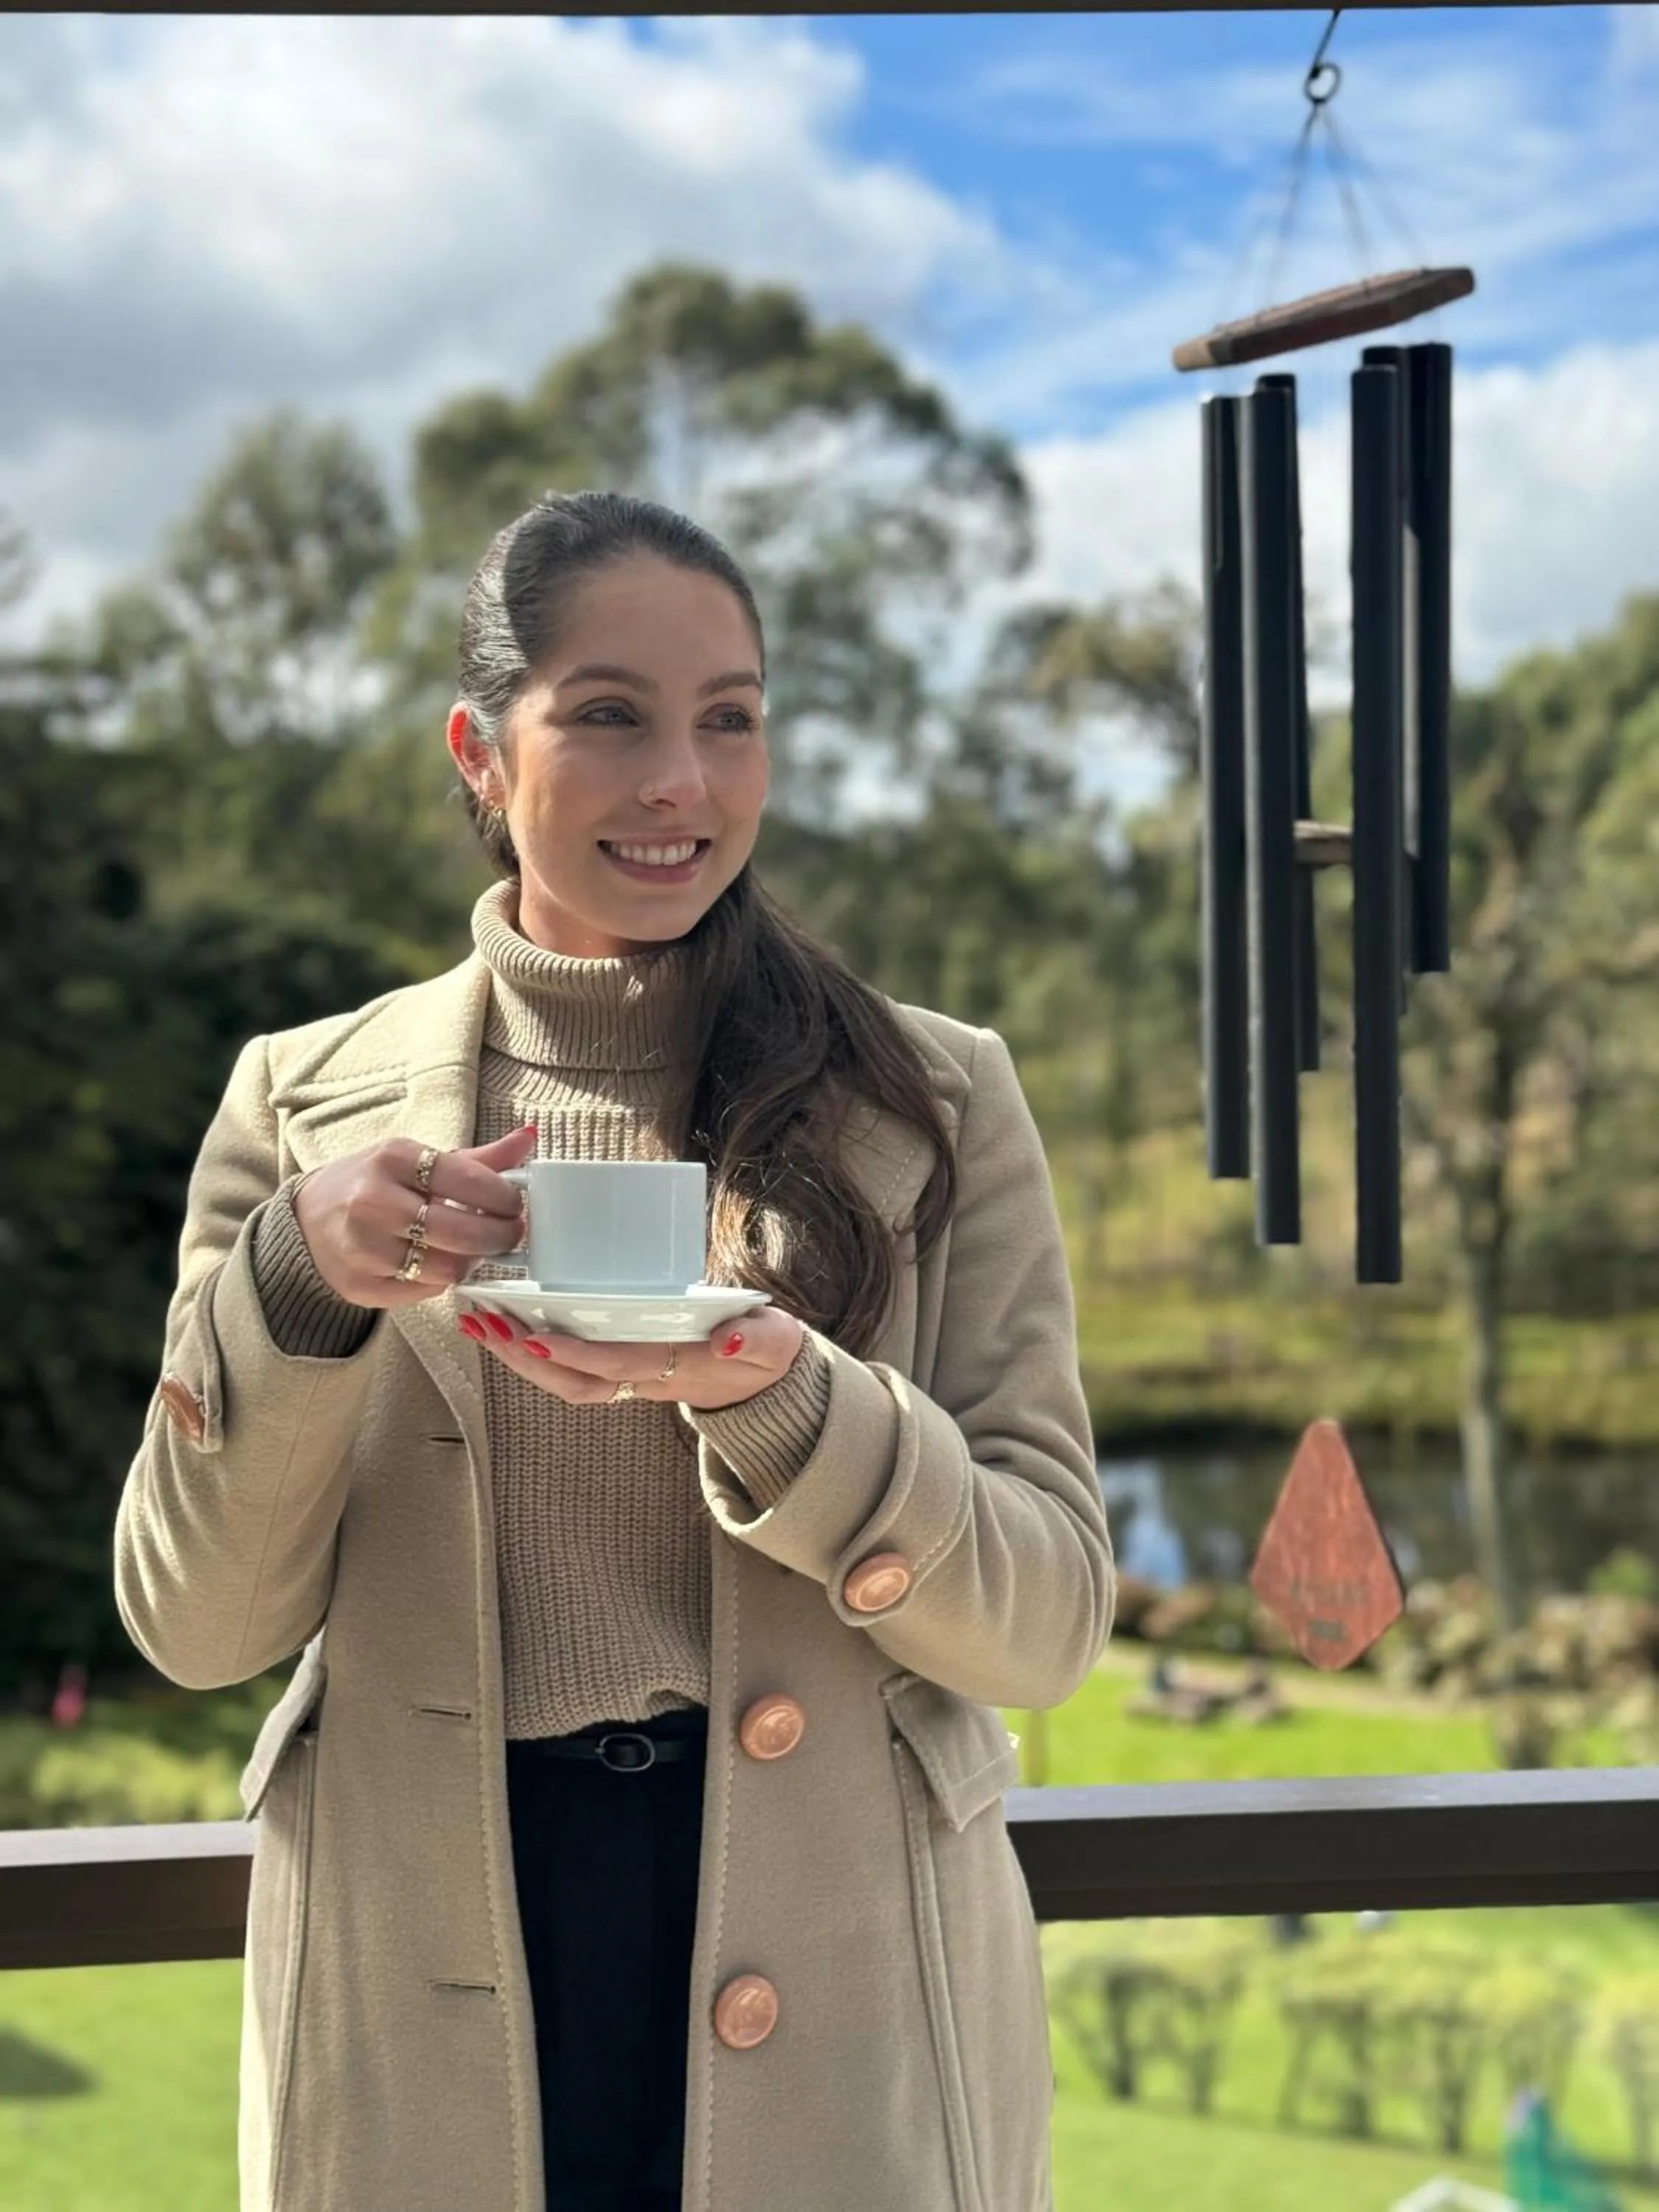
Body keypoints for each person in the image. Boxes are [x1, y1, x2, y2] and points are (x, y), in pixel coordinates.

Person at [115, 490, 1116, 2212]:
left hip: (851, 1967)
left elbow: (1048, 1623)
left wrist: (792, 1405)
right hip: (424, 1957)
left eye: (732, 720)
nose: (685, 782)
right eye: (610, 715)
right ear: (479, 755)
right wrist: (298, 1282)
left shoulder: (932, 1101)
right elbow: (194, 1626)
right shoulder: (300, 1107)